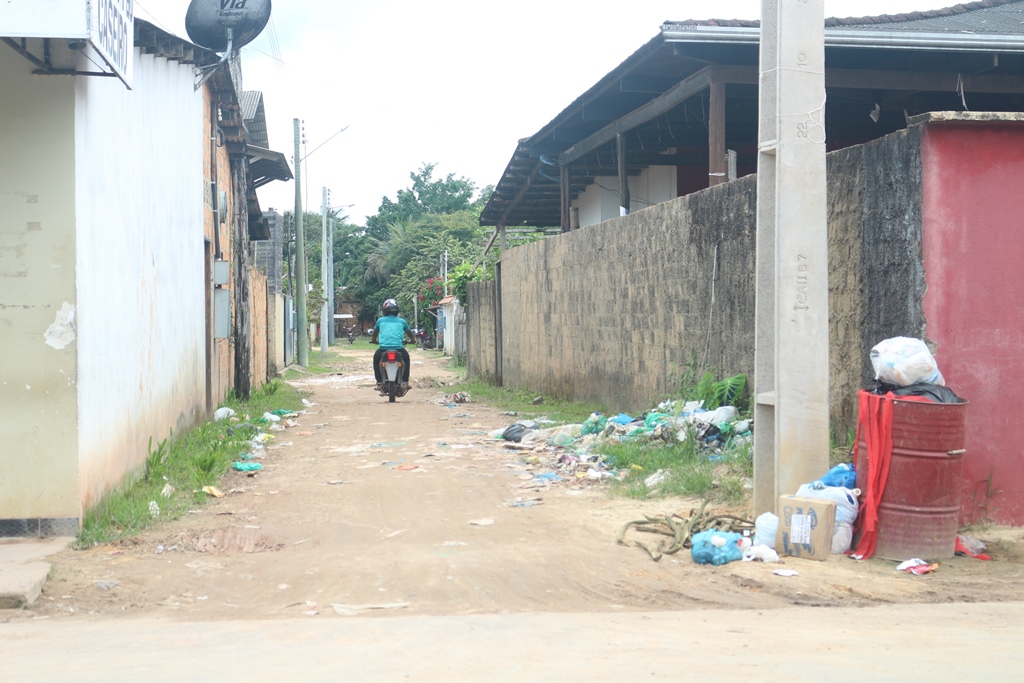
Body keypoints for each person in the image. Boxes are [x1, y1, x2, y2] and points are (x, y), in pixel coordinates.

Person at [370, 298, 415, 390]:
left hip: (383, 349)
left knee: (376, 360)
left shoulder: (380, 321)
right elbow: (410, 335)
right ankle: (405, 382)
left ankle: (379, 382)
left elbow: (374, 334)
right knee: (406, 360)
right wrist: (412, 340)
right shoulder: (402, 321)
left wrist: (374, 340)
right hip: (399, 349)